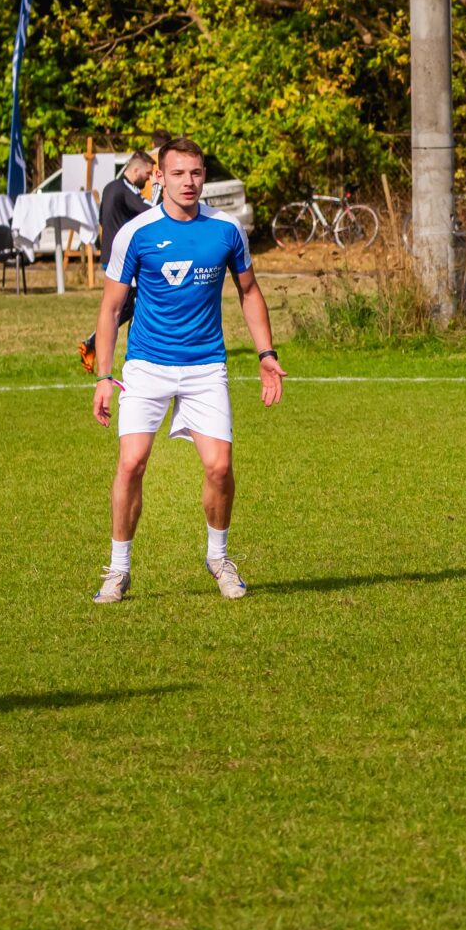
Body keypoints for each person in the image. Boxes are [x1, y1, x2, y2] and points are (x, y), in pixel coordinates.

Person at [87, 137, 283, 604]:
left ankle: (219, 558)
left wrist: (265, 354)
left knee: (220, 467)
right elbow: (110, 309)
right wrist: (104, 377)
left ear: (204, 176)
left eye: (195, 173)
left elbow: (249, 291)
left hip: (205, 367)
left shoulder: (226, 229)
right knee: (131, 463)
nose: (188, 182)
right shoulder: (136, 233)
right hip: (146, 367)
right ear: (159, 176)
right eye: (177, 173)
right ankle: (118, 570)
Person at [78, 147, 157, 374]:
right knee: (131, 305)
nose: (148, 179)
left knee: (128, 305)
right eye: (148, 174)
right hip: (123, 259)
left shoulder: (111, 187)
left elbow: (103, 220)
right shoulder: (124, 189)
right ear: (136, 170)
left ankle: (100, 345)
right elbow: (151, 213)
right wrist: (158, 190)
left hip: (111, 256)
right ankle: (95, 344)